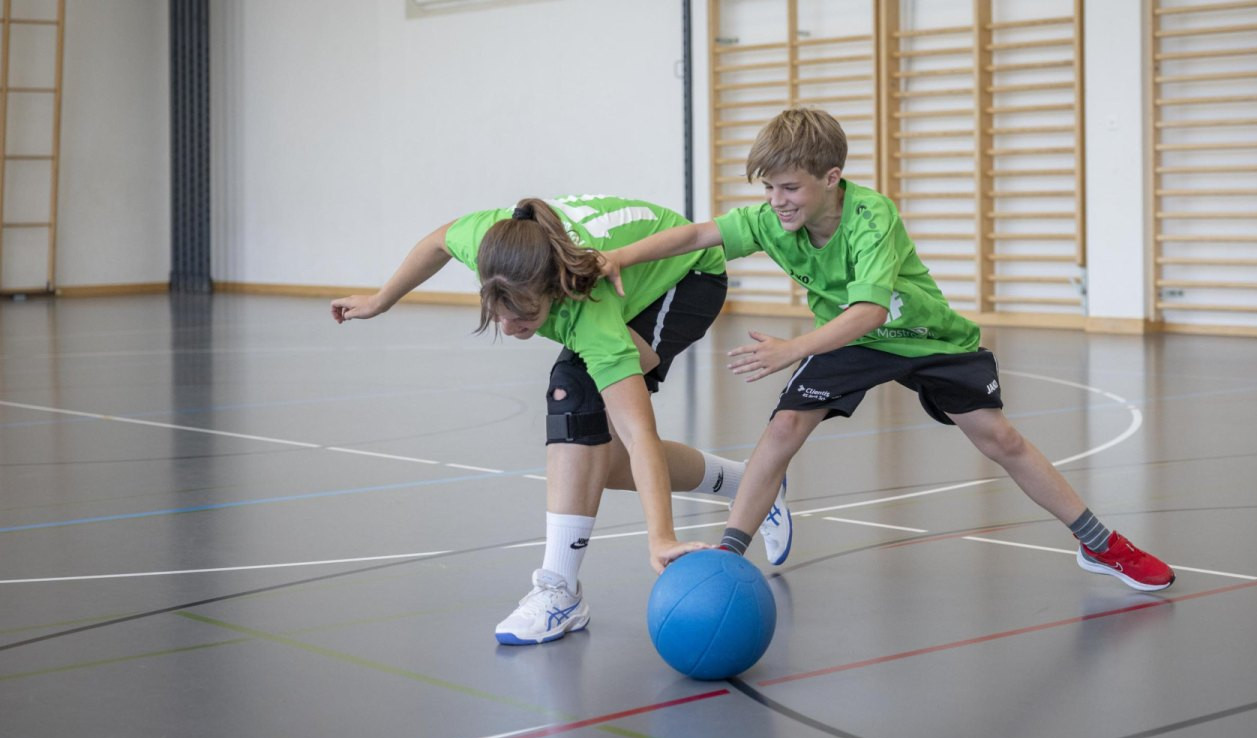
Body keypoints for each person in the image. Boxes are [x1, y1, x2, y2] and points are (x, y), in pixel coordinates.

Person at [601, 109, 1174, 591]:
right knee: (782, 430)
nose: (777, 201)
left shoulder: (872, 218)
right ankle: (729, 556)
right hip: (849, 340)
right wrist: (621, 258)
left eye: (790, 187)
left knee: (1002, 439)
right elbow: (699, 234)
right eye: (769, 188)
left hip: (923, 335)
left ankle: (1100, 544)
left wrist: (794, 347)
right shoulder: (772, 219)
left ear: (832, 177)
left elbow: (871, 312)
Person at [329, 194, 795, 645]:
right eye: (498, 313)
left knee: (572, 392)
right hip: (613, 276)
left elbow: (639, 433)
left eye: (524, 315)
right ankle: (750, 484)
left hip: (687, 276)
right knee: (602, 464)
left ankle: (559, 589)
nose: (510, 328)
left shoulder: (589, 312)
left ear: (554, 290)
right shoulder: (495, 245)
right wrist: (381, 300)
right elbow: (437, 240)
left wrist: (660, 538)